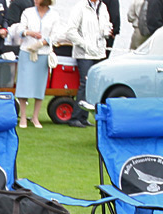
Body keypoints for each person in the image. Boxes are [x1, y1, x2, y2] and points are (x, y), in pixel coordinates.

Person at [64, 0, 111, 128]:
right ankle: (75, 117)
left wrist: (106, 31)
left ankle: (83, 117)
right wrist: (85, 45)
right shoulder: (80, 7)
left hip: (99, 52)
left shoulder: (103, 7)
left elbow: (105, 26)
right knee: (85, 83)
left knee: (94, 85)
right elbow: (70, 31)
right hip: (84, 53)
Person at [12, 0, 59, 128]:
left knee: (39, 86)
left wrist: (44, 42)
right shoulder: (28, 12)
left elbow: (56, 35)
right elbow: (20, 29)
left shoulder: (54, 15)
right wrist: (28, 33)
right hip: (27, 51)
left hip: (43, 53)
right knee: (24, 85)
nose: (36, 1)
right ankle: (23, 117)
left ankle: (35, 117)